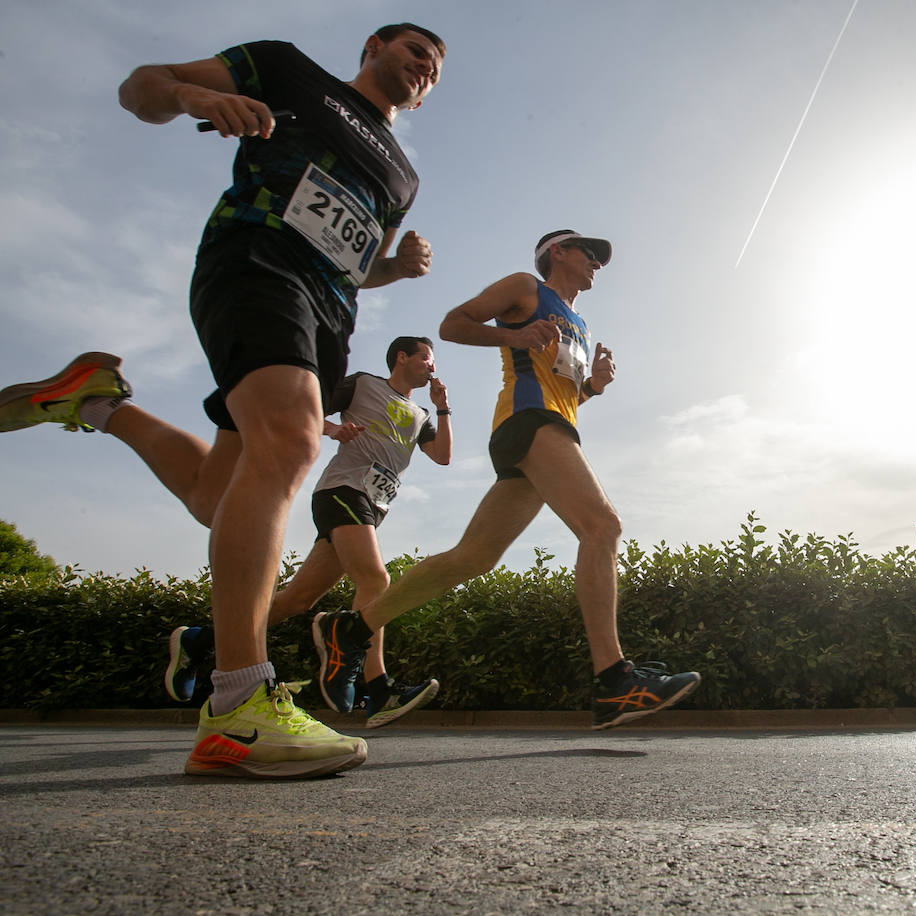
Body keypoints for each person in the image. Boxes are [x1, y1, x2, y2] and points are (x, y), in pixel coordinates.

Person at [0, 24, 445, 778]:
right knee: (295, 442)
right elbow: (140, 84)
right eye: (414, 52)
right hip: (256, 258)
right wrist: (190, 95)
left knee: (220, 495)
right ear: (374, 46)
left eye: (434, 69)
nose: (423, 69)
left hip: (328, 316)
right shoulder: (287, 70)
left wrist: (393, 270)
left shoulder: (403, 173)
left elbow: (357, 262)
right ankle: (238, 705)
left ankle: (96, 401)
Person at [313, 230, 700, 729]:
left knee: (471, 559)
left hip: (553, 427)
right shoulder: (525, 287)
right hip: (528, 423)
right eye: (590, 253)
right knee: (602, 526)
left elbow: (566, 394)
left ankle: (352, 629)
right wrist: (512, 335)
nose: (598, 263)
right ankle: (614, 682)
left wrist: (595, 388)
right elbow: (452, 324)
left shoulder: (579, 322)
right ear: (557, 253)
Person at [165, 335, 451, 729]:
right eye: (426, 358)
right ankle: (378, 688)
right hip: (342, 491)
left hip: (373, 507)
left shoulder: (420, 414)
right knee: (374, 579)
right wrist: (335, 431)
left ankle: (197, 640)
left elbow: (443, 457)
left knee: (296, 600)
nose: (431, 366)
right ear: (402, 358)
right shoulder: (363, 384)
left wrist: (442, 408)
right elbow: (307, 412)